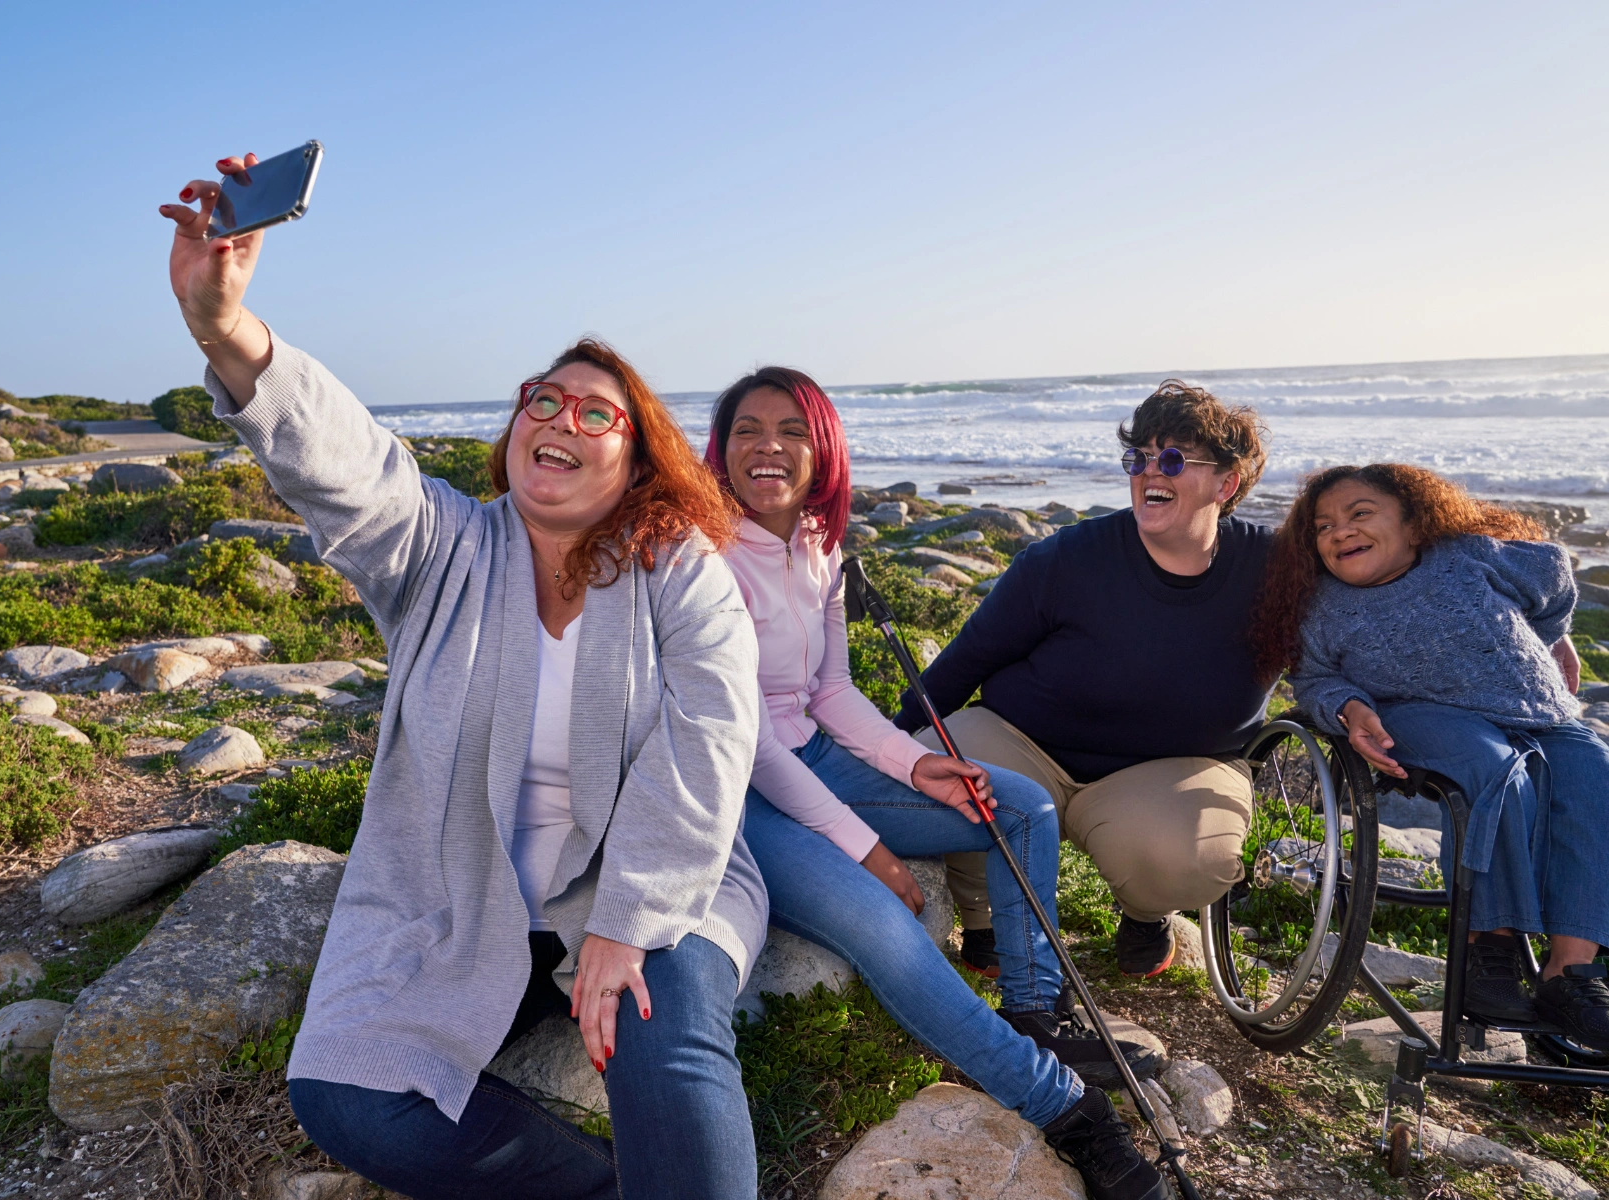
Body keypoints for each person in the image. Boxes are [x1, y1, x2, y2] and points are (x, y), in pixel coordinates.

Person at [160, 155, 768, 1200]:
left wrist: (627, 924)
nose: (559, 421)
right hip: (459, 897)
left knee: (667, 1036)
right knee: (343, 1090)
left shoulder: (676, 565)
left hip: (640, 887)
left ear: (637, 460)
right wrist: (225, 328)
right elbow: (346, 461)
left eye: (595, 414)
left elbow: (711, 730)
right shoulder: (443, 548)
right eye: (544, 400)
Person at [709, 366, 1170, 1200]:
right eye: (746, 428)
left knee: (1018, 805)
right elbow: (744, 742)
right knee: (890, 930)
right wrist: (867, 848)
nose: (767, 446)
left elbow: (828, 694)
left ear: (823, 453)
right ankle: (1068, 1111)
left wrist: (916, 763)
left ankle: (1033, 1012)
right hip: (735, 794)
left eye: (791, 430)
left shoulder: (819, 544)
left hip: (810, 755)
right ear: (721, 445)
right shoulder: (701, 553)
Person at [898, 381, 1273, 978]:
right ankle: (986, 917)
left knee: (1189, 856)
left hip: (1172, 772)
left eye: (1172, 458)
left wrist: (1354, 706)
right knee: (940, 765)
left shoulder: (1274, 570)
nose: (1150, 471)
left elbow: (1343, 640)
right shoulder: (1065, 560)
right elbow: (966, 662)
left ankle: (1146, 913)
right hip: (1025, 747)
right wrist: (886, 749)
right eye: (1138, 458)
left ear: (1226, 484)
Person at [1250, 463, 1608, 1049]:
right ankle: (1485, 950)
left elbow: (1553, 579)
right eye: (1323, 526)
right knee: (1494, 771)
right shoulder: (1325, 605)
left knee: (1595, 773)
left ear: (1415, 525)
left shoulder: (1470, 555)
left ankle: (1570, 974)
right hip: (1421, 716)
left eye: (1359, 514)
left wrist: (1553, 635)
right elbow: (1314, 680)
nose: (1340, 531)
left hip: (1537, 707)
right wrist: (1349, 709)